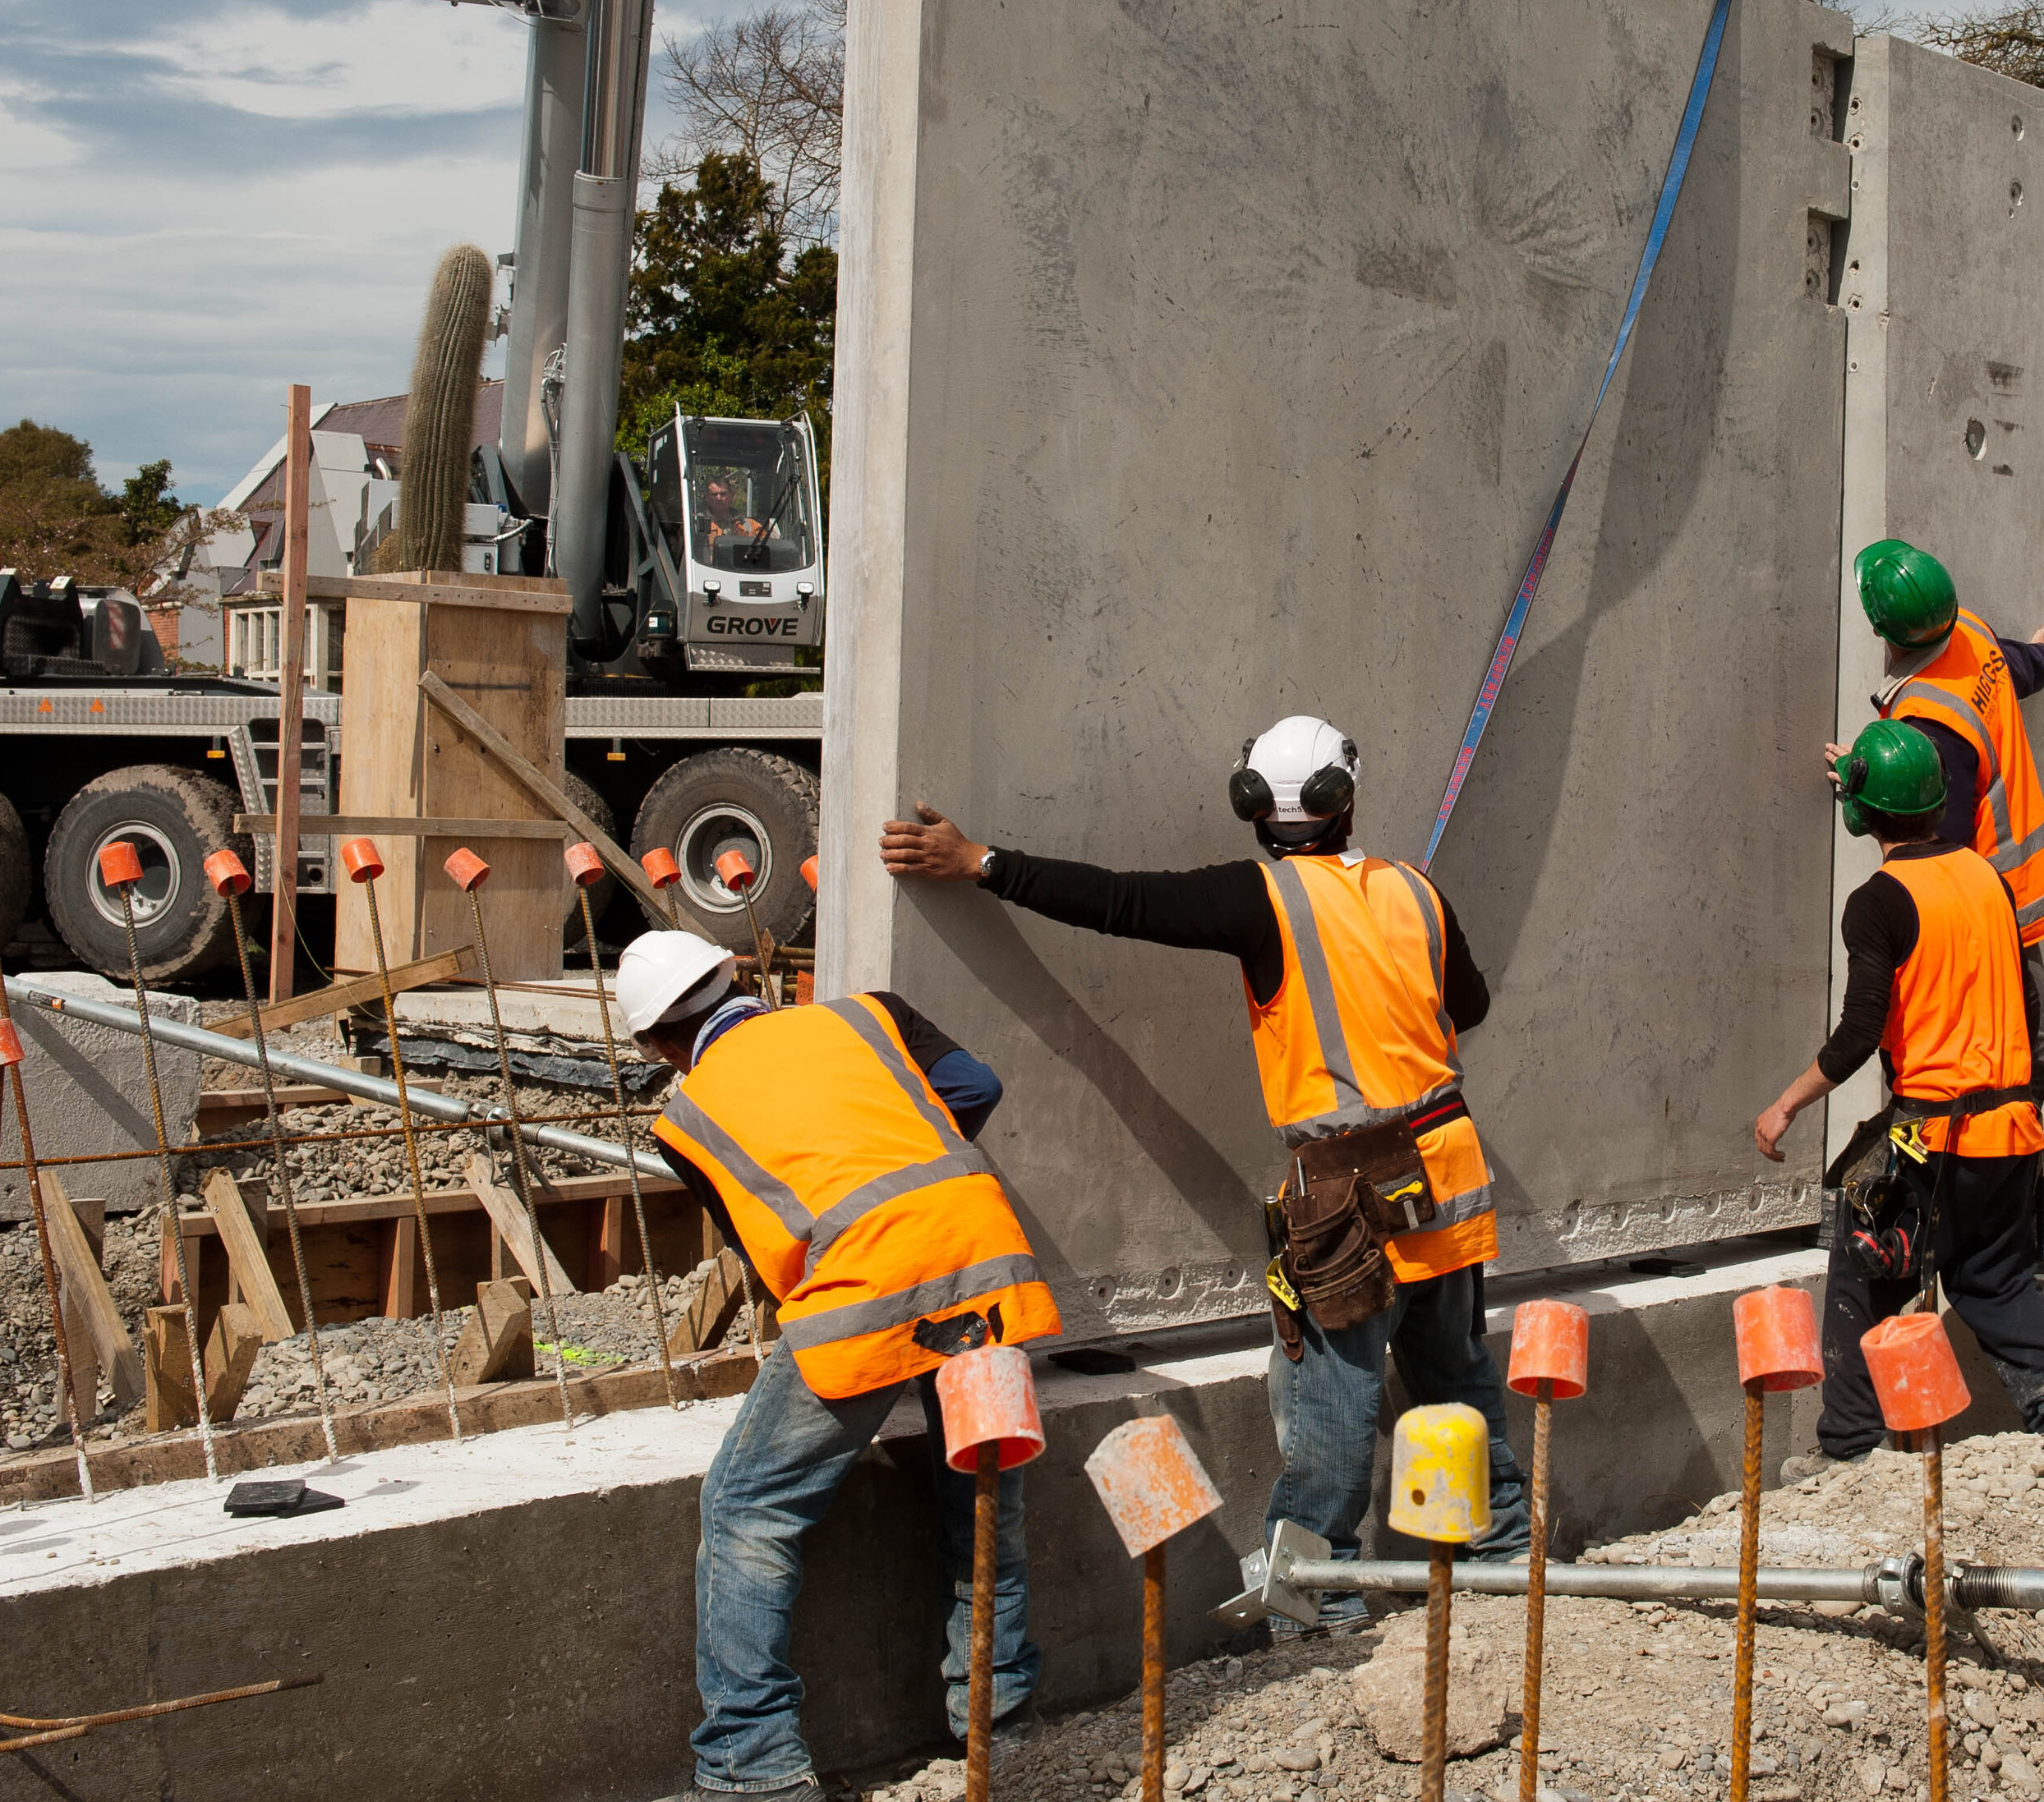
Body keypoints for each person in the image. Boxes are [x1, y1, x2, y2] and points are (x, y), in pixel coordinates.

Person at [880, 714, 1528, 1622]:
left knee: (1331, 1417)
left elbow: (1119, 901)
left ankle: (1318, 1608)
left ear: (1253, 807)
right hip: (1448, 1184)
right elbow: (1472, 1005)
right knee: (1457, 1382)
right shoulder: (1417, 890)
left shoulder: (1259, 899)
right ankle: (1507, 1562)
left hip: (1350, 1198)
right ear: (1348, 800)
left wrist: (979, 861)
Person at [624, 927, 1060, 1800]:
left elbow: (763, 1244)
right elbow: (976, 1086)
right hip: (988, 1261)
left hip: (867, 1293)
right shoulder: (866, 1017)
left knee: (749, 1506)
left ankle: (751, 1762)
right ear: (735, 979)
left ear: (659, 1046)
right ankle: (1000, 1722)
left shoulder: (686, 1116)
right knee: (979, 1490)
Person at [1757, 721, 2044, 1458]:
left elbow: (1856, 1036)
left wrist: (1784, 1103)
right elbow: (2029, 1006)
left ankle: (1847, 1448)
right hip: (2010, 1134)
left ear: (1859, 813)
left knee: (1864, 1262)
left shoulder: (1879, 900)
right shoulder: (1987, 878)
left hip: (1936, 1140)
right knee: (1996, 1279)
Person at [1847, 538, 2044, 1272]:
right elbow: (2018, 668)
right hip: (2022, 889)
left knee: (2037, 1068)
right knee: (2033, 1063)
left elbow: (1935, 840)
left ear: (1885, 632)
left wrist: (1865, 790)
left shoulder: (1930, 720)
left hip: (1994, 910)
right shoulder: (1967, 631)